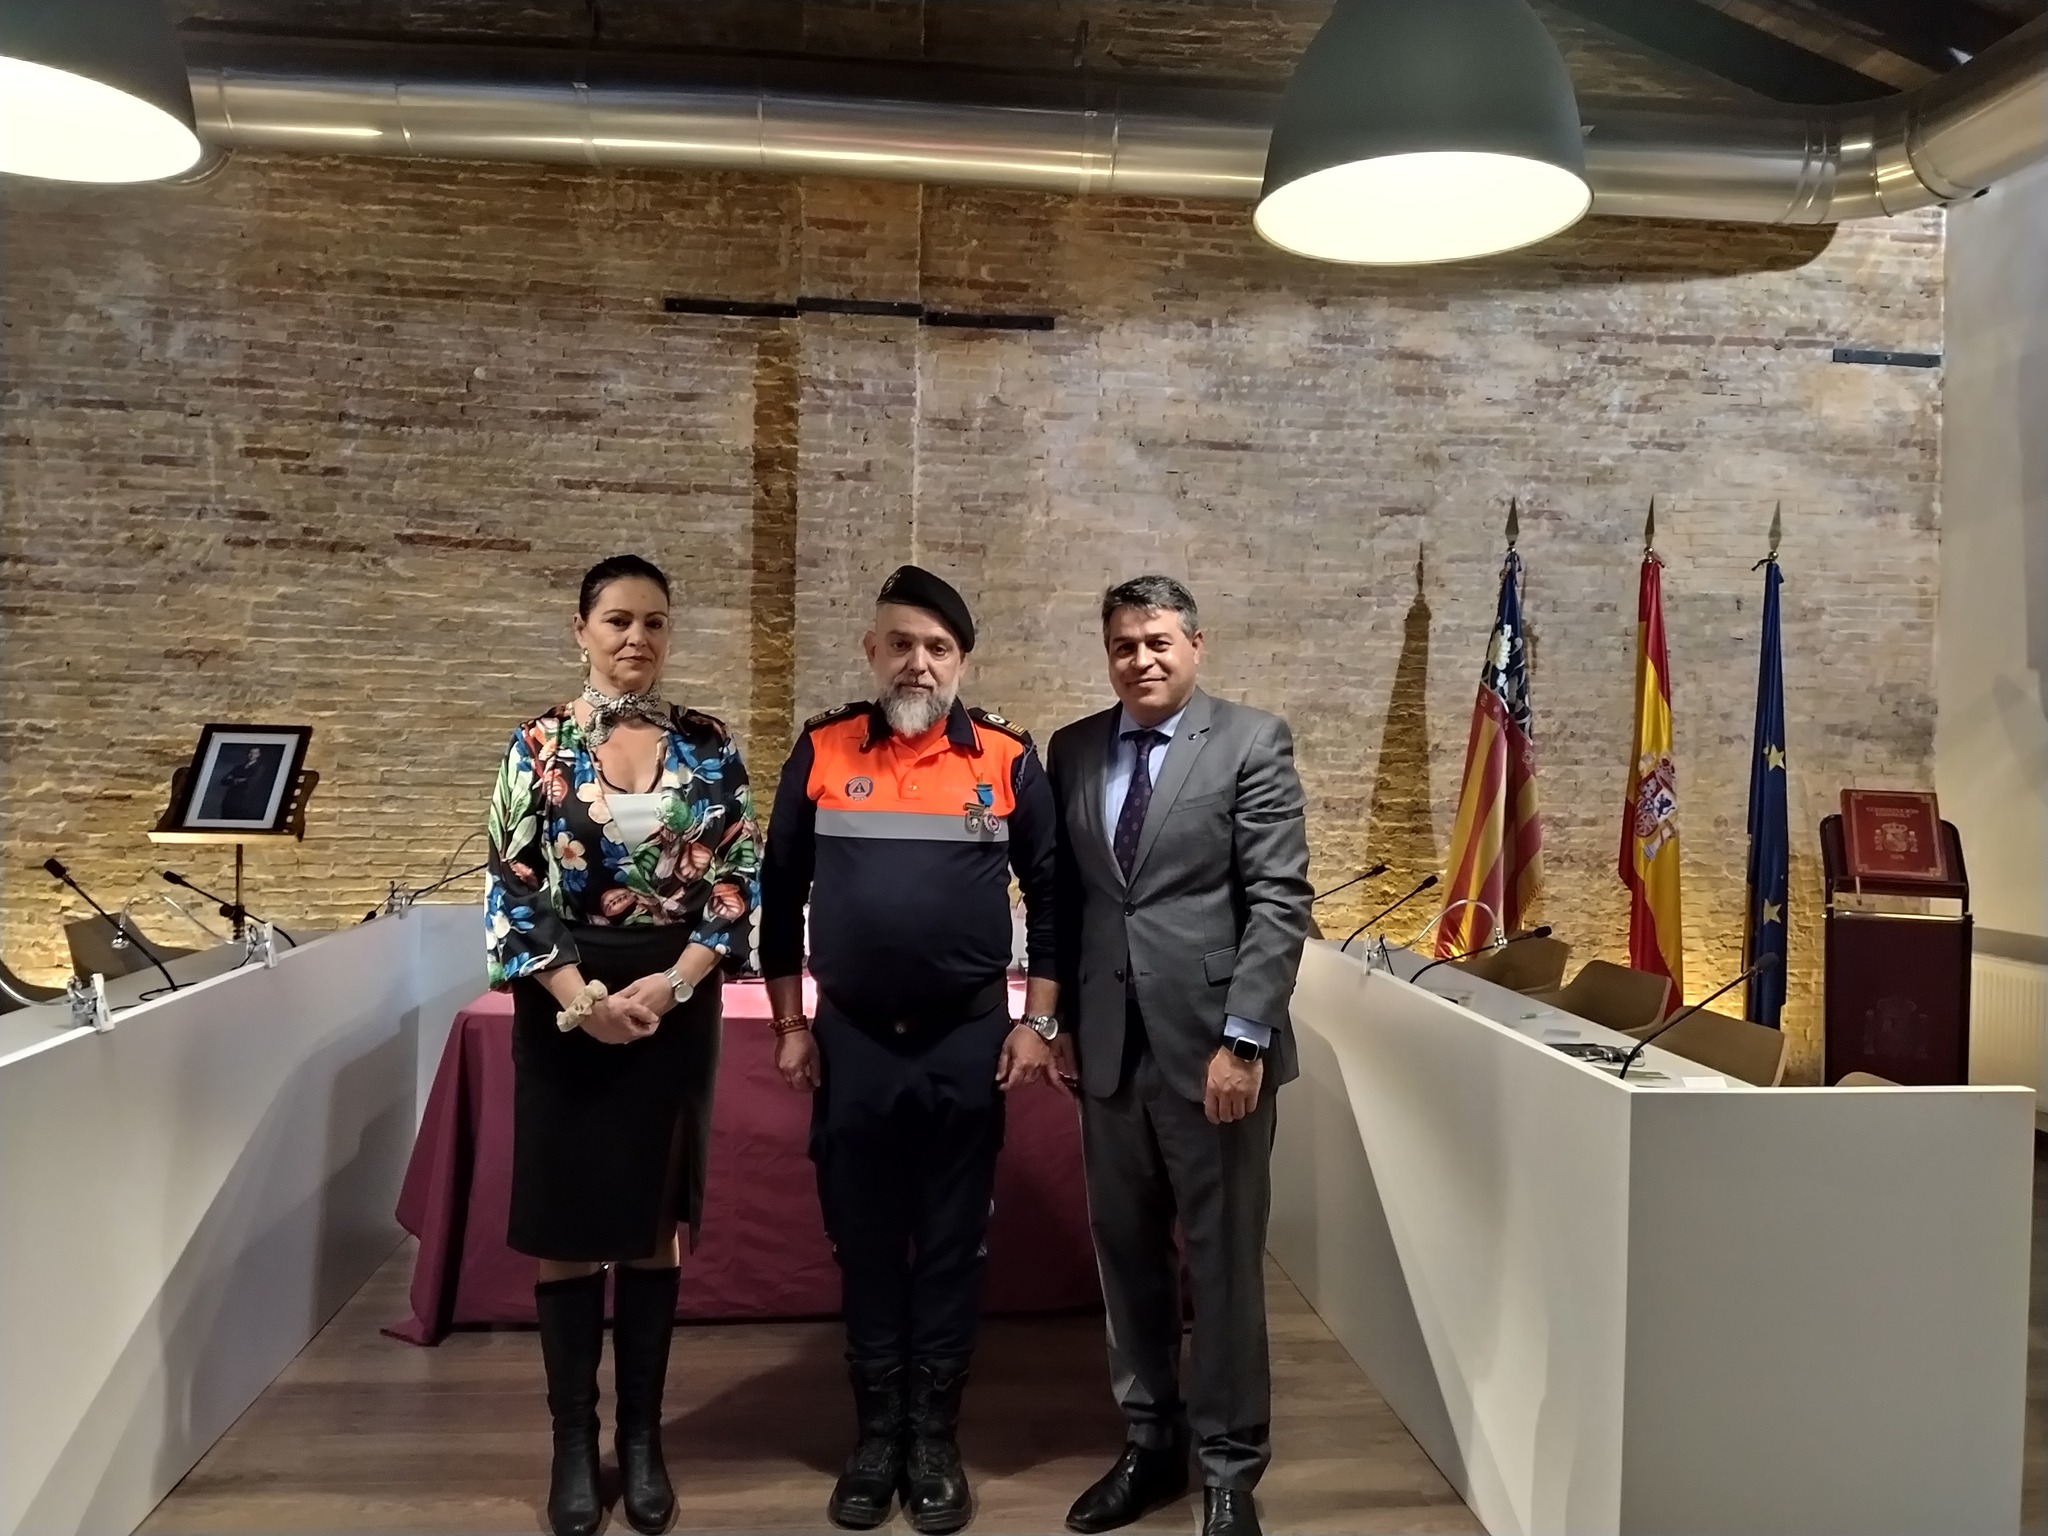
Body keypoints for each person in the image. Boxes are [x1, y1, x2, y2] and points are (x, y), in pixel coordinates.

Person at [760, 564, 1062, 1535]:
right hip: (851, 1043)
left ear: (960, 660)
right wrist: (791, 1026)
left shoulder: (1006, 758)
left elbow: (1053, 896)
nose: (917, 663)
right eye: (900, 643)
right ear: (871, 651)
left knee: (951, 1243)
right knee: (863, 1240)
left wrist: (1038, 1020)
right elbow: (777, 894)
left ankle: (933, 1438)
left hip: (965, 1042)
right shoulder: (821, 749)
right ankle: (875, 1436)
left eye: (937, 647)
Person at [484, 553, 761, 1536]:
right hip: (566, 1004)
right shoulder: (536, 744)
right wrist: (581, 1002)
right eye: (617, 620)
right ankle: (574, 1444)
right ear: (582, 631)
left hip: (674, 1004)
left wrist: (676, 982)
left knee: (653, 1224)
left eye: (653, 622)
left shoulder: (709, 744)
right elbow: (512, 884)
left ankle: (641, 1441)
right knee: (568, 1230)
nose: (636, 637)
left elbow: (736, 880)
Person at [1046, 576, 1313, 1536]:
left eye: (1158, 641)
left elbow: (1279, 900)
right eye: (1124, 644)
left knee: (1223, 1263)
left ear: (1195, 644)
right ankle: (1150, 1442)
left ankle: (1231, 1466)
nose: (1141, 659)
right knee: (1127, 1257)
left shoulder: (1250, 740)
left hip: (1215, 1057)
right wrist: (1059, 1022)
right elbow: (1067, 900)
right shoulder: (1074, 748)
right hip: (1109, 1053)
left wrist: (1244, 1039)